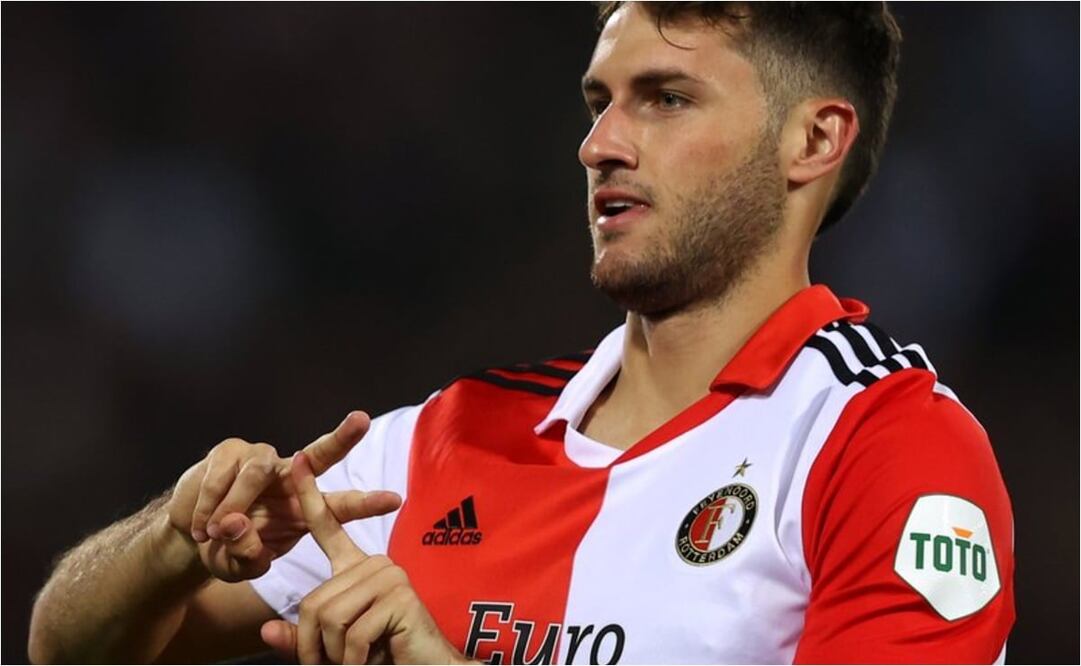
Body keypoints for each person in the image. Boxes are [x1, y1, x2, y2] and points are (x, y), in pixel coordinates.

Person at [28, 2, 1015, 664]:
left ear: (813, 140)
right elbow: (67, 648)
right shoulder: (435, 442)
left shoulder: (886, 448)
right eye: (599, 103)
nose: (601, 145)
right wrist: (172, 537)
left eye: (665, 99)